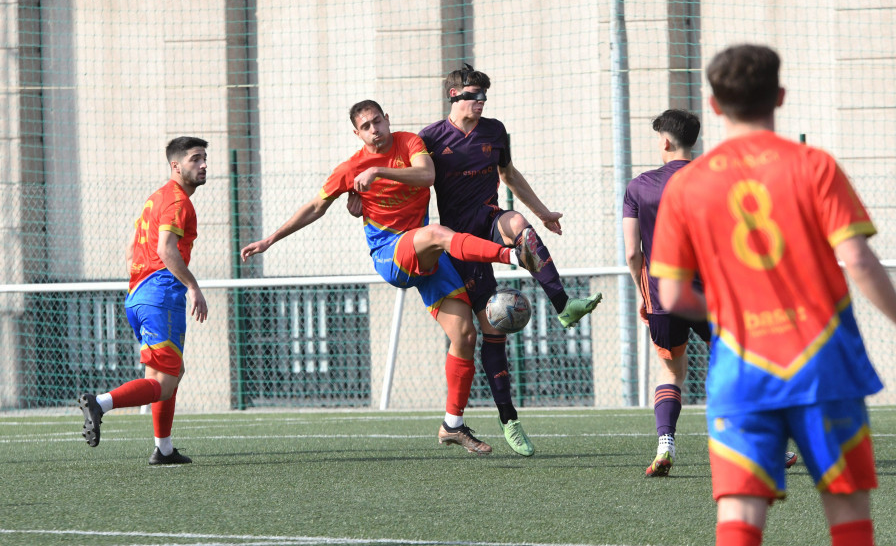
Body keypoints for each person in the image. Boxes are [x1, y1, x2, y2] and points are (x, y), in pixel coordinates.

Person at [651, 44, 896, 546]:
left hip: (743, 370)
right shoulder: (815, 165)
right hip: (823, 365)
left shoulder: (687, 186)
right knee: (848, 511)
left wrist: (731, 308)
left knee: (741, 518)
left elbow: (673, 293)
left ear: (716, 106)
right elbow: (857, 260)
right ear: (780, 96)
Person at [241, 100, 543, 456]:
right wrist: (270, 239)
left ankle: (452, 424)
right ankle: (511, 255)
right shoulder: (350, 168)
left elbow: (427, 175)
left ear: (388, 120)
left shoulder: (409, 143)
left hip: (423, 252)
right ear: (357, 133)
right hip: (391, 253)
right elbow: (314, 207)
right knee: (436, 233)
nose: (374, 130)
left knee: (465, 335)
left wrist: (380, 174)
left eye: (378, 122)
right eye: (366, 126)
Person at [417, 64, 603, 456]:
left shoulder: (495, 131)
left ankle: (563, 304)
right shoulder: (429, 138)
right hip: (458, 243)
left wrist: (545, 211)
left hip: (489, 219)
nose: (481, 101)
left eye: (484, 95)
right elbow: (411, 185)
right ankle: (508, 419)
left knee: (520, 223)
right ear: (454, 96)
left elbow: (510, 174)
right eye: (473, 95)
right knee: (491, 332)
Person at [623, 110, 798, 477]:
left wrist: (644, 291)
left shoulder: (639, 186)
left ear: (666, 142)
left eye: (658, 139)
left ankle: (665, 444)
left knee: (672, 373)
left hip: (662, 294)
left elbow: (632, 253)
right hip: (712, 295)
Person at [78, 136, 210, 465]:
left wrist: (142, 287)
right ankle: (100, 403)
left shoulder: (155, 199)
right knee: (163, 384)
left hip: (138, 296)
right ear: (176, 166)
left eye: (205, 158)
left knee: (170, 373)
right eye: (196, 159)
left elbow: (129, 253)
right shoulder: (178, 201)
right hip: (160, 296)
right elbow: (166, 249)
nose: (204, 164)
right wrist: (193, 287)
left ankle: (163, 450)